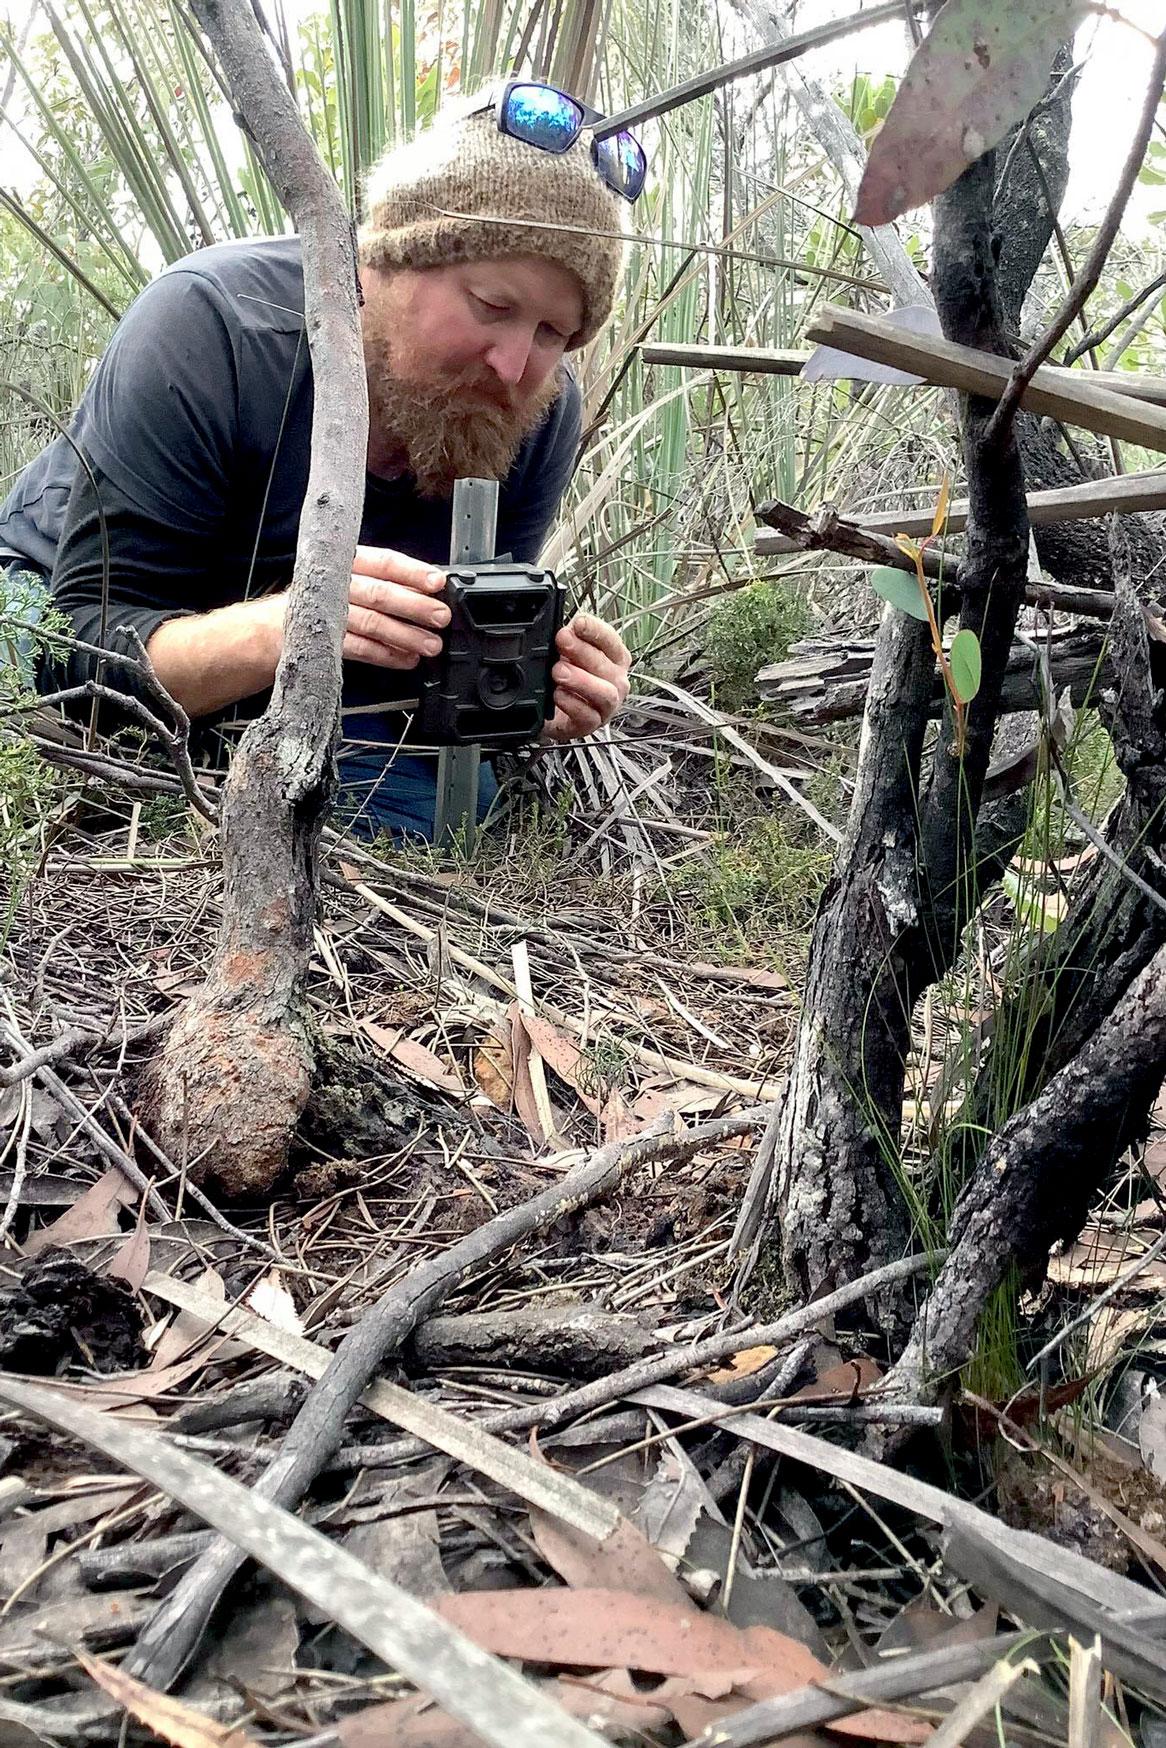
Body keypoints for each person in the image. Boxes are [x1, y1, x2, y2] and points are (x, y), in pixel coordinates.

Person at [0, 79, 640, 839]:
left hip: (327, 692)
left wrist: (533, 688)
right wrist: (290, 628)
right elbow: (74, 644)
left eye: (554, 334)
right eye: (493, 306)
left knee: (444, 816)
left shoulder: (540, 408)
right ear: (387, 263)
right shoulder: (215, 326)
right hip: (67, 620)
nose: (514, 364)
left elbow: (445, 672)